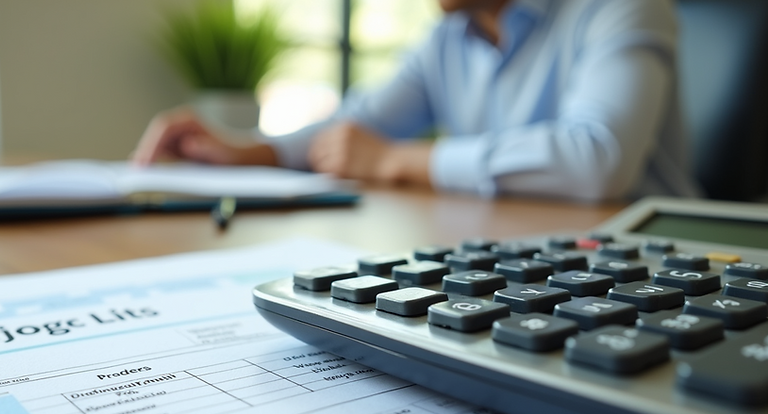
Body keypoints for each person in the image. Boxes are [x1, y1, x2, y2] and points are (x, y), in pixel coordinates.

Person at [133, 0, 702, 202]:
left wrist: (396, 160)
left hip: (655, 263)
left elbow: (596, 159)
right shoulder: (447, 39)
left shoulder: (621, 6)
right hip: (522, 249)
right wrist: (248, 153)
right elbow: (356, 126)